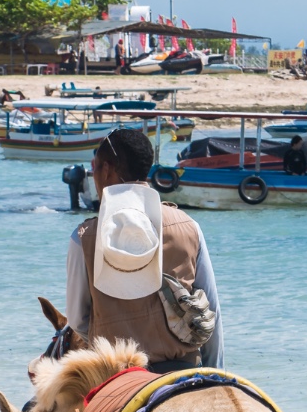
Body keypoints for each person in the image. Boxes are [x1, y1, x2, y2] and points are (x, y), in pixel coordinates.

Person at [65, 126, 222, 373]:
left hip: (117, 376)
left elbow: (77, 320)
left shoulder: (83, 238)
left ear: (106, 170)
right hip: (183, 368)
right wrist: (215, 371)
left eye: (95, 167)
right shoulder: (189, 227)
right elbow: (212, 312)